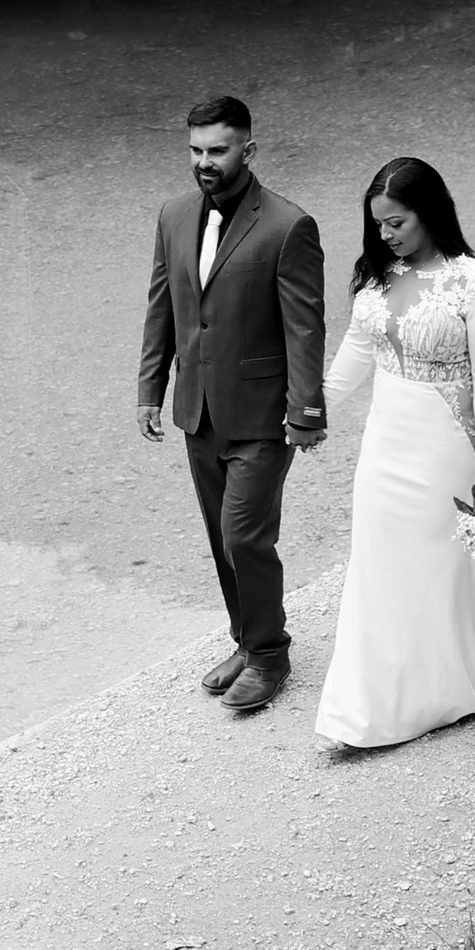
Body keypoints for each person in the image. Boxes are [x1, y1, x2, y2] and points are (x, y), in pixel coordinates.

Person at [314, 154, 475, 753]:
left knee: (434, 562)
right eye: (378, 224)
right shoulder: (377, 275)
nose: (386, 235)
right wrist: (313, 410)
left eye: (397, 223)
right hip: (384, 441)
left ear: (430, 214)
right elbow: (357, 349)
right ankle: (372, 700)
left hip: (443, 445)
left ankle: (440, 688)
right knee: (377, 560)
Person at [137, 91, 327, 717]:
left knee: (244, 536)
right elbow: (163, 306)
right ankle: (246, 642)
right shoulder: (173, 215)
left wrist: (306, 411)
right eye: (195, 150)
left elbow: (304, 328)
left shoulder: (288, 225)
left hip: (264, 416)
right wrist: (150, 390)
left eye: (217, 150)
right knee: (221, 540)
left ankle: (271, 654)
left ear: (249, 149)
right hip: (198, 410)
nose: (204, 162)